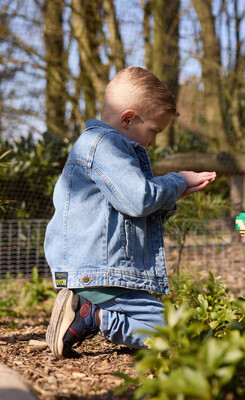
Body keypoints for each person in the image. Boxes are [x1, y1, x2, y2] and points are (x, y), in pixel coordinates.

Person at [44, 66, 216, 359]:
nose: (153, 143)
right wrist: (178, 180)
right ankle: (95, 315)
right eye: (153, 131)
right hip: (103, 274)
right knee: (181, 339)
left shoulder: (103, 147)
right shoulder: (104, 144)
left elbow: (133, 215)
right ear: (127, 118)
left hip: (104, 273)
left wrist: (174, 195)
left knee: (177, 336)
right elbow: (139, 199)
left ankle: (88, 315)